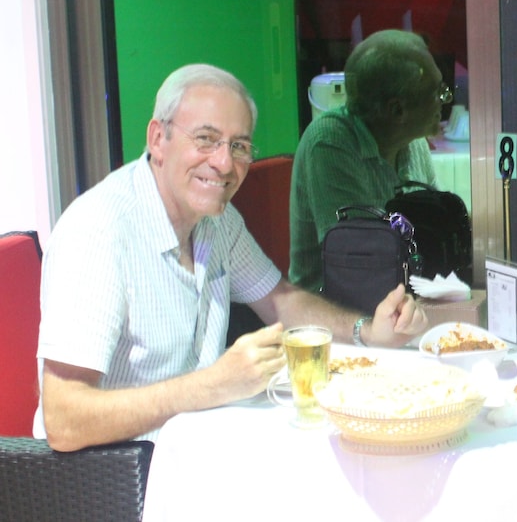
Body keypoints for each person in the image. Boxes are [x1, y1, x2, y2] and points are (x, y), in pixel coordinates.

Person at [34, 63, 428, 451]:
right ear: (158, 139)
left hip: (196, 449)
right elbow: (64, 420)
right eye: (206, 139)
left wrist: (367, 332)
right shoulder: (98, 232)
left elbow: (281, 300)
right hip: (122, 477)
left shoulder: (217, 221)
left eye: (238, 146)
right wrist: (213, 385)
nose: (224, 163)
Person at [289, 29, 451, 293]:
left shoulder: (412, 140)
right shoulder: (330, 142)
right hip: (334, 309)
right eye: (437, 93)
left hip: (401, 297)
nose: (445, 100)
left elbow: (434, 230)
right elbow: (358, 264)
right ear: (397, 110)